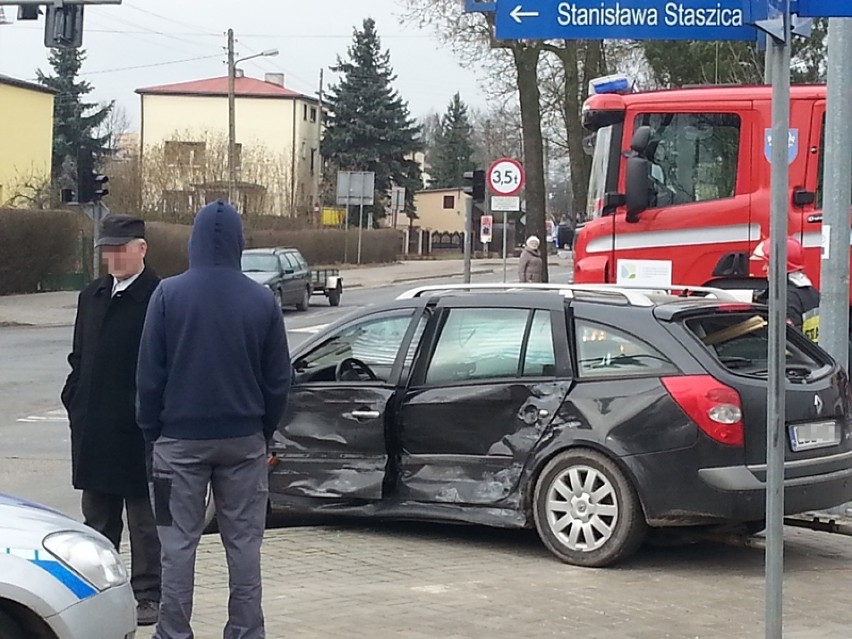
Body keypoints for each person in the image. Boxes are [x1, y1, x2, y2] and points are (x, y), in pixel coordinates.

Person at [136, 200, 291, 639]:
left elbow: (149, 376)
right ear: (239, 243)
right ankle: (245, 631)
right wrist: (262, 430)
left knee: (177, 545)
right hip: (243, 442)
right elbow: (279, 379)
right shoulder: (262, 300)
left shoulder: (168, 294)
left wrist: (153, 430)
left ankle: (173, 632)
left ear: (194, 241)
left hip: (178, 444)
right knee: (244, 545)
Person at [60, 214, 161, 626]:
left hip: (138, 430)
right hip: (96, 426)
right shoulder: (93, 295)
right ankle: (100, 590)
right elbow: (79, 356)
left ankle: (148, 595)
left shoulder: (159, 296)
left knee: (145, 523)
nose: (114, 257)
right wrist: (74, 397)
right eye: (108, 250)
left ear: (142, 249)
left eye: (122, 248)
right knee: (97, 520)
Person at [751, 235, 820, 342]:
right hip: (814, 355)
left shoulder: (783, 299)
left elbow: (786, 341)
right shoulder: (812, 293)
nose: (764, 268)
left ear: (779, 266)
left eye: (768, 264)